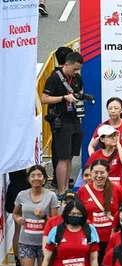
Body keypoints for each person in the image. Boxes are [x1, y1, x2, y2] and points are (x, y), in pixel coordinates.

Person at [13, 164, 59, 266]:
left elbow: (55, 222)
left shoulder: (51, 196)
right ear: (29, 179)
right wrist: (17, 219)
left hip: (44, 244)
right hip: (26, 242)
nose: (36, 179)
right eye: (33, 176)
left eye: (39, 175)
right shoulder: (21, 195)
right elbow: (15, 212)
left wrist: (44, 216)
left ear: (45, 178)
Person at [41, 50, 86, 196]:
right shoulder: (54, 78)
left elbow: (79, 93)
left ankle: (67, 187)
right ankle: (61, 191)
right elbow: (44, 98)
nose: (76, 71)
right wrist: (63, 98)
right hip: (61, 121)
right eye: (74, 68)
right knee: (63, 157)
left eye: (78, 69)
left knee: (70, 156)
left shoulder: (77, 78)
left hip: (75, 119)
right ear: (67, 64)